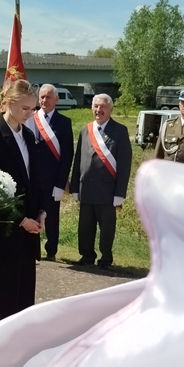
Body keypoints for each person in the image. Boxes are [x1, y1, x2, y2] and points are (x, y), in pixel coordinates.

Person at [0, 79, 46, 322]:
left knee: (25, 304)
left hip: (28, 233)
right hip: (6, 232)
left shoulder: (28, 135)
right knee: (5, 305)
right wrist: (20, 220)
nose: (29, 114)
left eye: (33, 109)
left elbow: (35, 179)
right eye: (24, 108)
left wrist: (41, 211)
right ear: (8, 103)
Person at [70, 93, 132, 269]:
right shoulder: (85, 130)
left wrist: (120, 193)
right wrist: (75, 186)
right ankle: (86, 255)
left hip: (107, 191)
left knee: (107, 228)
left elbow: (124, 164)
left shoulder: (120, 131)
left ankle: (105, 259)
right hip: (86, 188)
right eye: (96, 106)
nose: (99, 110)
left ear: (110, 109)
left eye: (103, 106)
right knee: (85, 226)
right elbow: (78, 160)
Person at [25, 84, 75, 261]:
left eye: (48, 97)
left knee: (52, 217)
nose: (44, 100)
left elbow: (67, 156)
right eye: (42, 97)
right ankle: (33, 250)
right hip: (32, 179)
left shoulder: (64, 123)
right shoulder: (31, 119)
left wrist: (61, 184)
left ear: (56, 100)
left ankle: (51, 251)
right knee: (32, 213)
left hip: (52, 180)